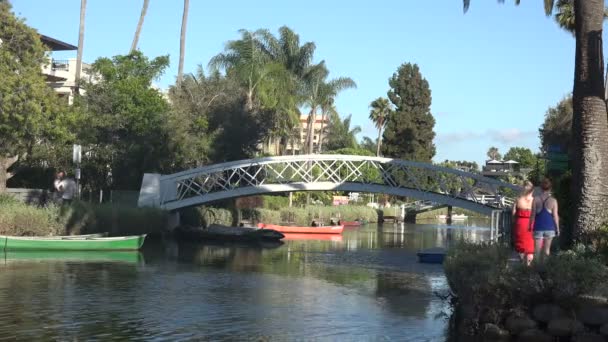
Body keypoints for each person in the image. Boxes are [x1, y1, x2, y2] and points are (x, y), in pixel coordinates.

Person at [530, 178, 560, 259]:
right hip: (550, 227)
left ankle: (536, 269)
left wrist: (530, 226)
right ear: (550, 188)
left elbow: (532, 214)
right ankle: (544, 270)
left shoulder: (535, 199)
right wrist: (557, 228)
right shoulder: (553, 201)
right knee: (547, 251)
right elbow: (555, 216)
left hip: (538, 227)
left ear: (540, 188)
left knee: (537, 251)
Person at [511, 181, 535, 265]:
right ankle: (528, 265)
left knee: (521, 247)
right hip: (532, 224)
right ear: (532, 190)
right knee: (531, 247)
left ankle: (522, 265)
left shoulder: (518, 200)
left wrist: (514, 225)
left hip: (521, 224)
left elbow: (513, 215)